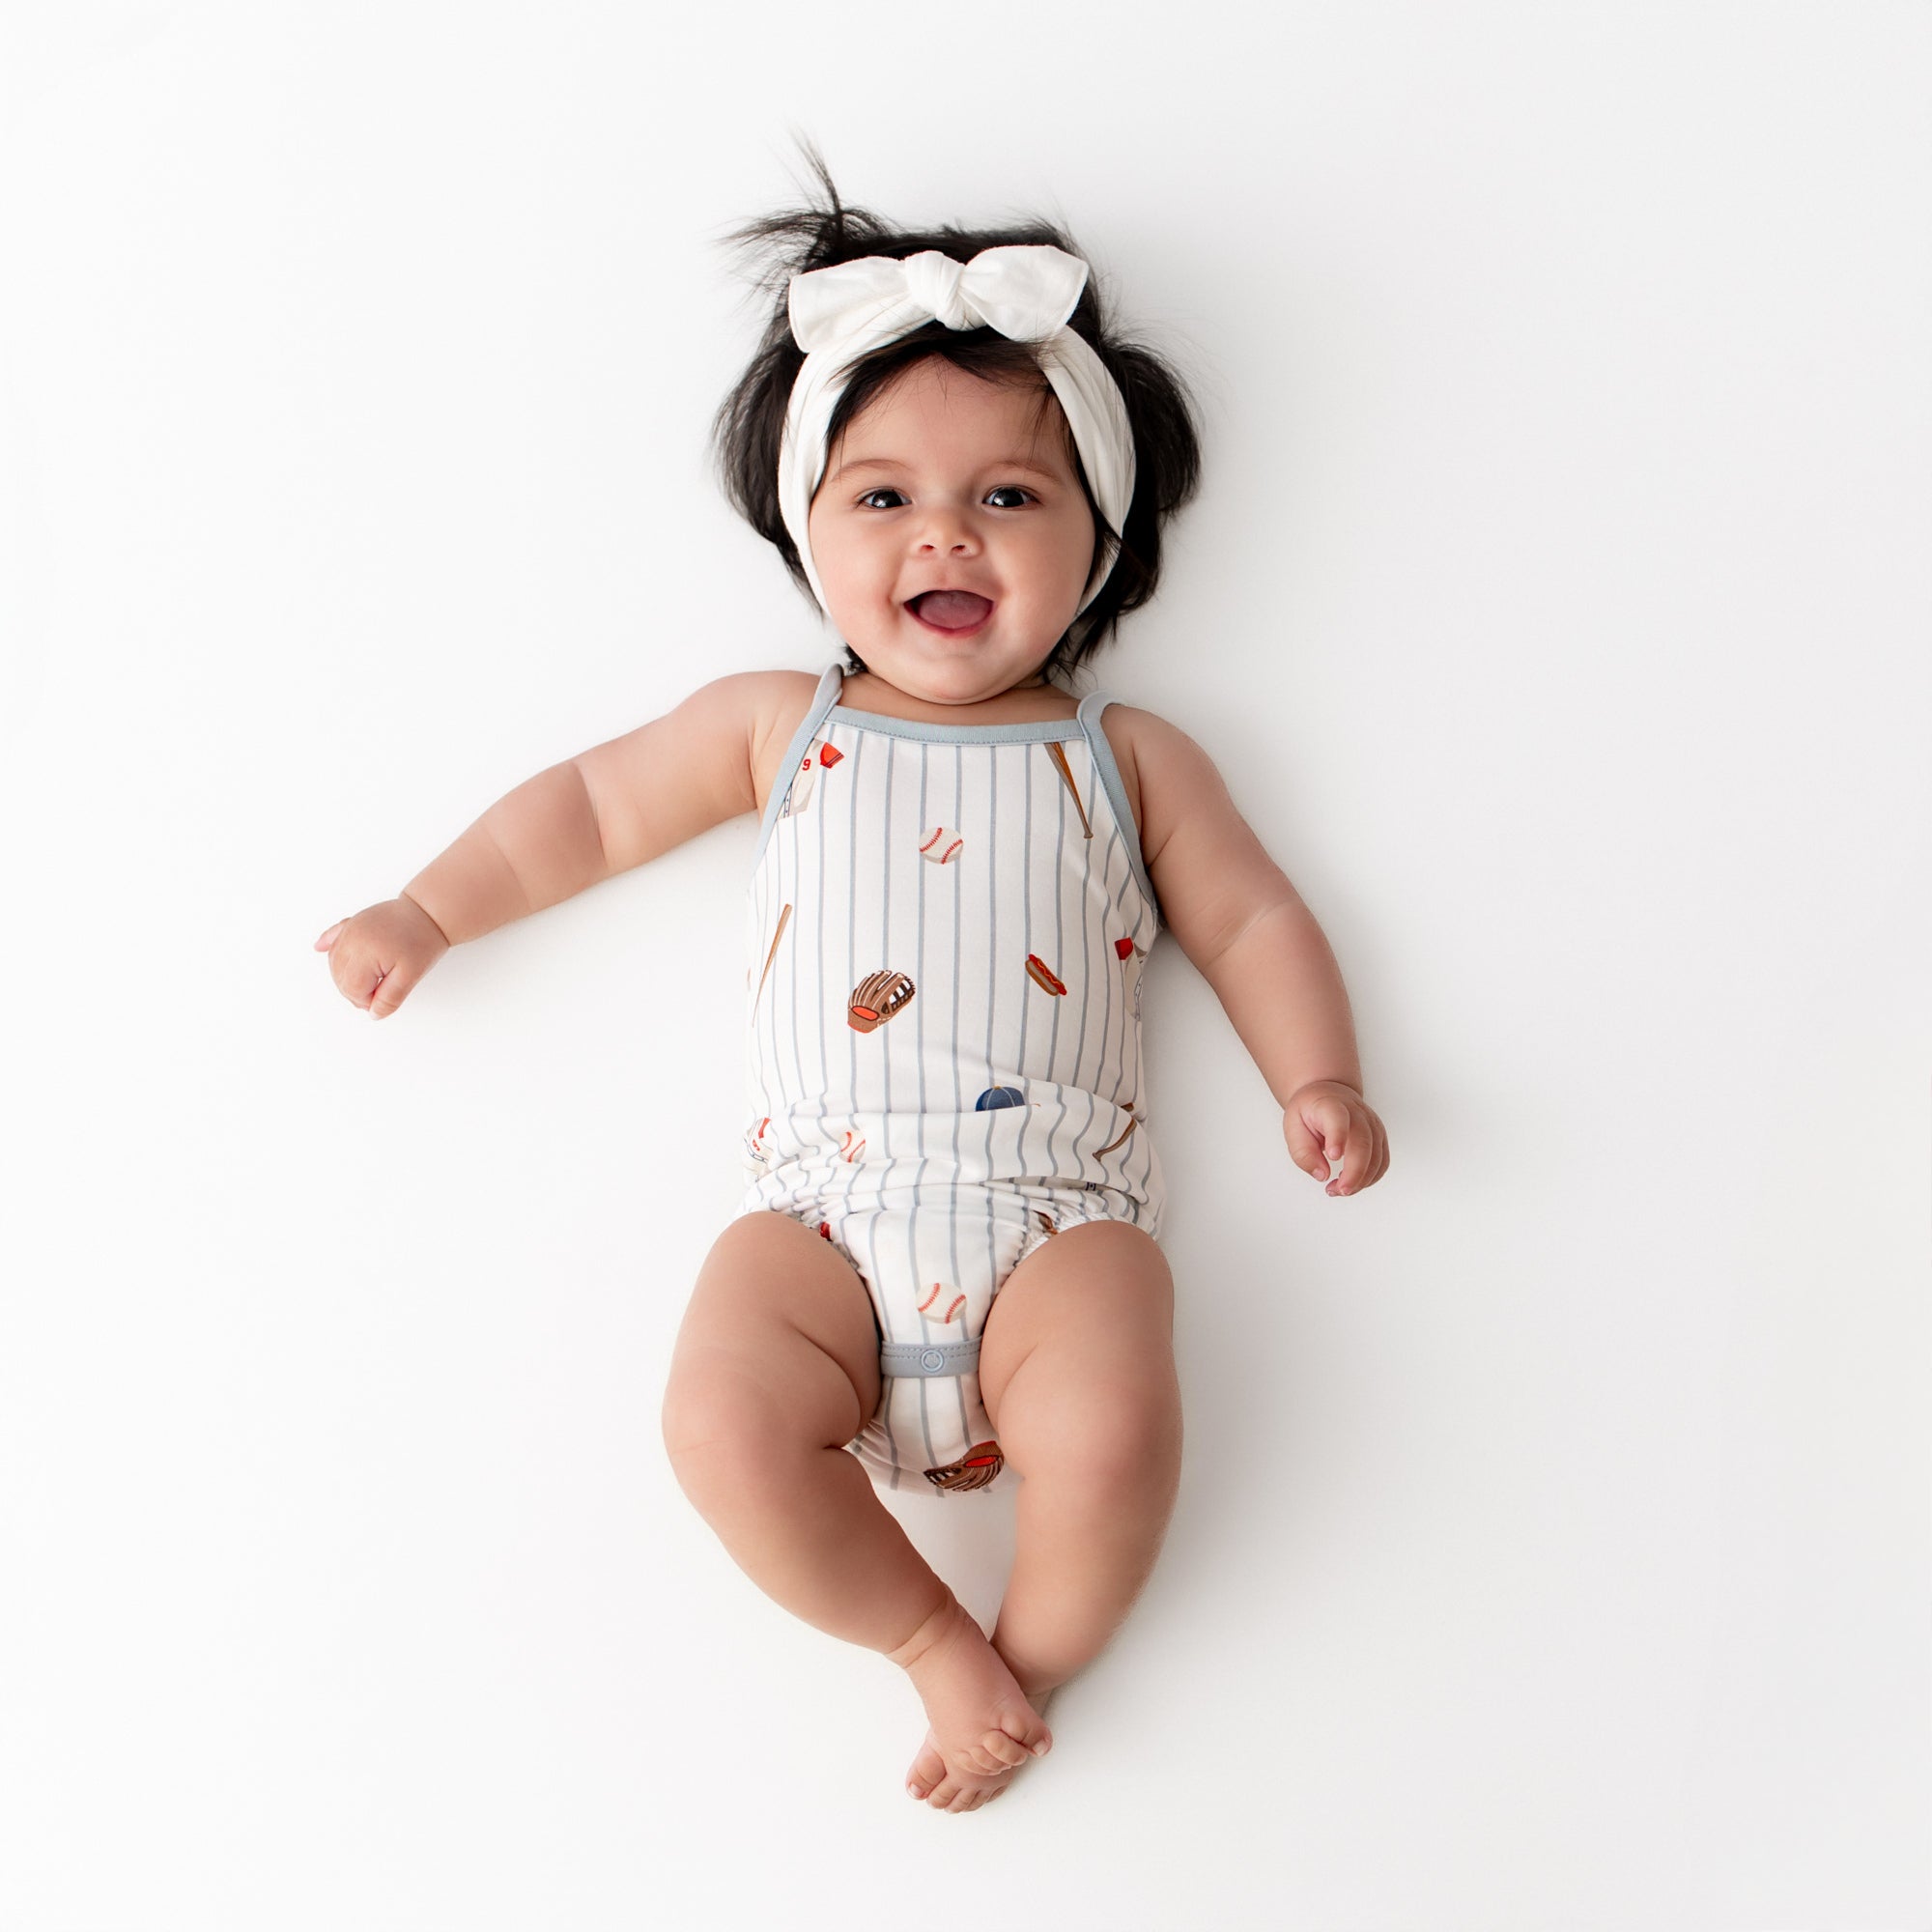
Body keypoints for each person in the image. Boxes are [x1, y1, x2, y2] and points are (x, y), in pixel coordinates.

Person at [314, 159, 1391, 1816]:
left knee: (1112, 1423)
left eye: (1009, 500)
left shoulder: (1127, 757)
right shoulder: (779, 726)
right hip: (820, 1224)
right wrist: (430, 907)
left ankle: (1032, 1658)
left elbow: (1249, 923)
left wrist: (1317, 1078)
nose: (944, 532)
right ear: (808, 531)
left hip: (1056, 1225)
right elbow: (590, 811)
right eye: (880, 497)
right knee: (717, 1423)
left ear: (1099, 544)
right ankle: (925, 1642)